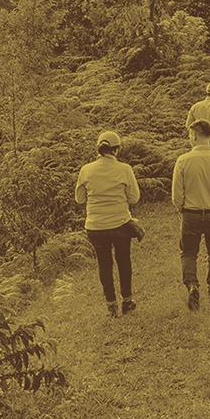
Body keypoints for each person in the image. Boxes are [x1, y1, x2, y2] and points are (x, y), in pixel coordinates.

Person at [75, 130, 141, 317]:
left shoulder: (86, 170)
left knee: (104, 264)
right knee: (123, 261)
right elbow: (134, 198)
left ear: (99, 148)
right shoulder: (124, 169)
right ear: (117, 149)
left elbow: (80, 199)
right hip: (120, 224)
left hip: (95, 226)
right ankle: (127, 301)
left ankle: (111, 306)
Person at [171, 118, 210, 310]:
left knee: (188, 252)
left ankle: (192, 285)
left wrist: (181, 208)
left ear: (194, 135)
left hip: (190, 214)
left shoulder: (183, 160)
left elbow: (176, 194)